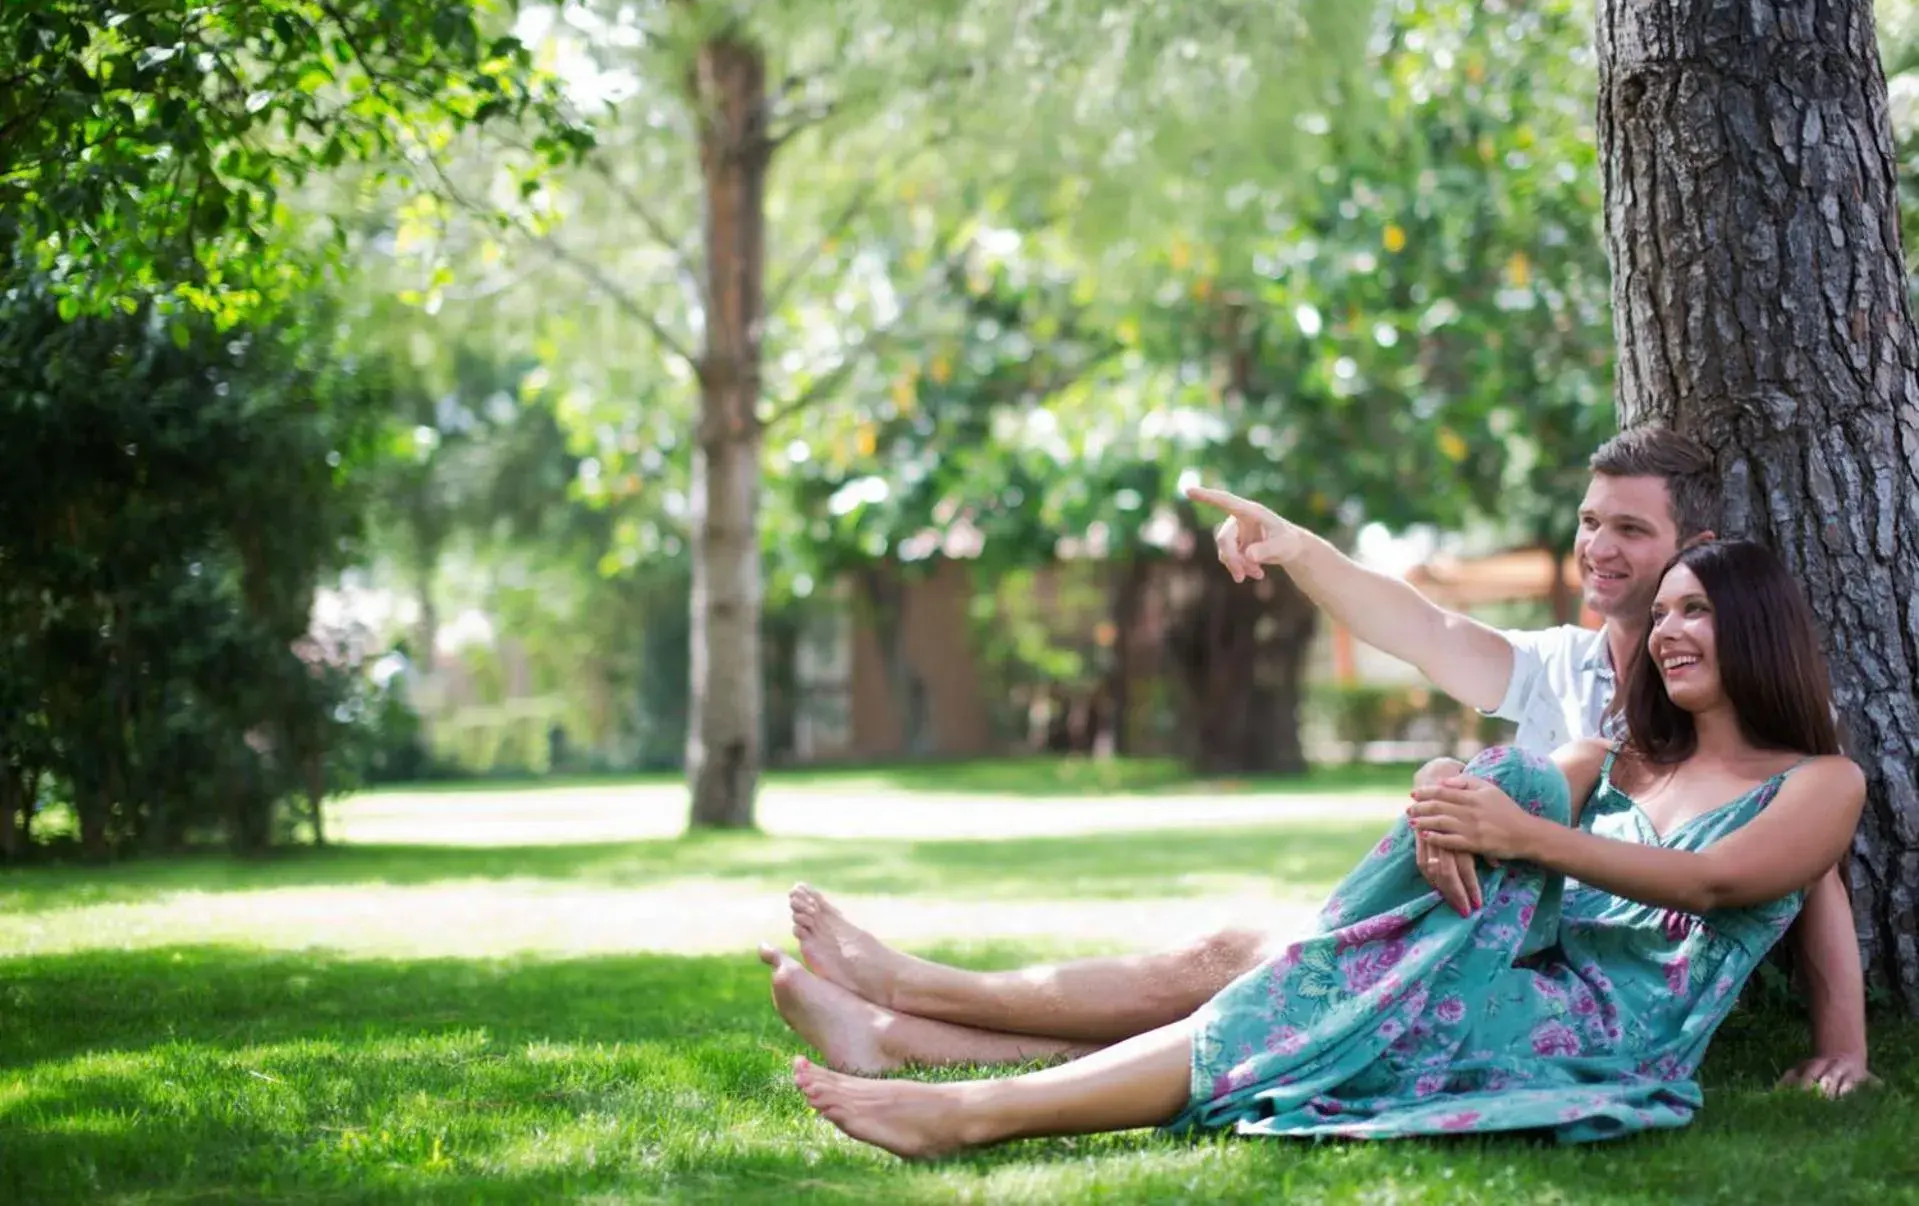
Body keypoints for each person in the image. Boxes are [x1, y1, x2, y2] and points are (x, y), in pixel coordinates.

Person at [760, 427, 1871, 1095]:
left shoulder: (1712, 711)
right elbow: (1419, 627)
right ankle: (902, 1033)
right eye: (1587, 522)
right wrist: (1299, 552)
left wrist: (1840, 1044)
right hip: (1464, 933)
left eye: (1629, 529)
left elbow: (1792, 856)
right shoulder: (1564, 667)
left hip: (1534, 974)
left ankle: (912, 1009)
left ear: (1697, 555)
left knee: (1253, 959)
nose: (1596, 547)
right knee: (1247, 956)